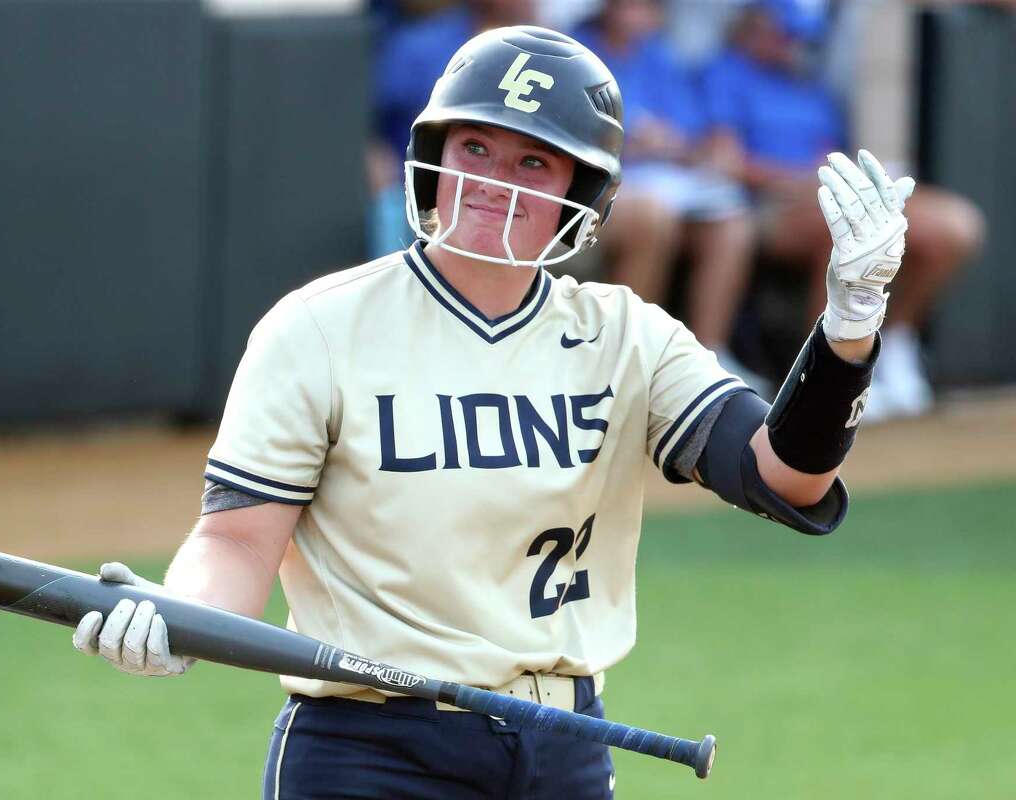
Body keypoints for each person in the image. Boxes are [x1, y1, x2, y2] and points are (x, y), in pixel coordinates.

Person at [73, 26, 911, 798]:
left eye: (532, 164)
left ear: (580, 192)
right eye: (474, 146)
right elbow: (235, 541)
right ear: (434, 154)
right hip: (367, 748)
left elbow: (787, 477)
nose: (492, 183)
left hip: (563, 742)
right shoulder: (317, 328)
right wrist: (180, 621)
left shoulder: (625, 337)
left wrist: (846, 330)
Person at [700, 1, 985, 420]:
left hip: (828, 195)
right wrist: (800, 177)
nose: (794, 44)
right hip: (765, 208)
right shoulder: (723, 74)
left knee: (954, 226)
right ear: (754, 25)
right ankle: (828, 376)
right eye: (784, 32)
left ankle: (894, 343)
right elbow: (722, 160)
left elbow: (833, 154)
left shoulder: (809, 84)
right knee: (842, 229)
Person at [570, 0, 770, 396]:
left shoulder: (659, 56)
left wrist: (669, 143)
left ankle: (707, 358)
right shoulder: (575, 50)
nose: (638, 12)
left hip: (666, 185)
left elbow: (692, 137)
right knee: (653, 214)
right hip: (595, 188)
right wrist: (625, 142)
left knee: (730, 222)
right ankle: (629, 361)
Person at [370, 0, 539, 258]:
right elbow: (370, 120)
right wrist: (376, 153)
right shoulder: (422, 44)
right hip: (418, 175)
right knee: (388, 205)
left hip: (509, 186)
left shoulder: (547, 55)